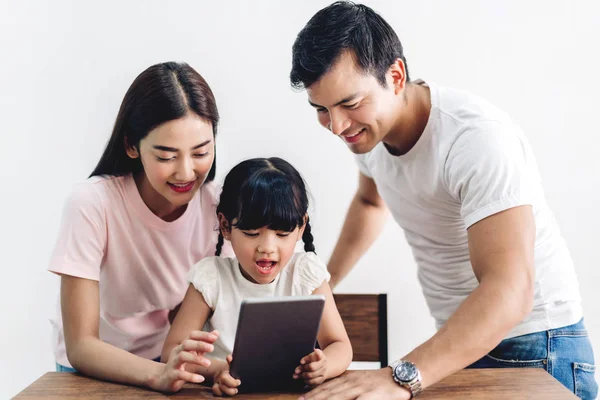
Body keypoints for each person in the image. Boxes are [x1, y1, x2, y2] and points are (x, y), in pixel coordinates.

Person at [289, 2, 597, 399]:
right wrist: (323, 284)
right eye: (321, 110)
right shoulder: (367, 134)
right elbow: (370, 202)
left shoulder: (475, 139)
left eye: (349, 104)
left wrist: (397, 377)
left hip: (537, 343)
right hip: (461, 341)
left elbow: (510, 289)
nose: (336, 126)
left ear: (395, 76)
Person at [48, 61, 231, 392]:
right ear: (131, 146)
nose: (186, 172)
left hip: (166, 361)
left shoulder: (219, 208)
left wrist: (216, 368)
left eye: (201, 152)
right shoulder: (92, 204)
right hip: (89, 369)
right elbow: (81, 346)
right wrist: (157, 374)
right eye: (166, 156)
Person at [161, 157, 353, 396]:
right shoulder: (211, 277)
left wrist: (324, 366)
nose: (267, 247)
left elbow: (340, 346)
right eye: (252, 233)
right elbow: (172, 352)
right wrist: (218, 371)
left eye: (282, 233)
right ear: (225, 226)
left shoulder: (305, 273)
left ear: (301, 227)